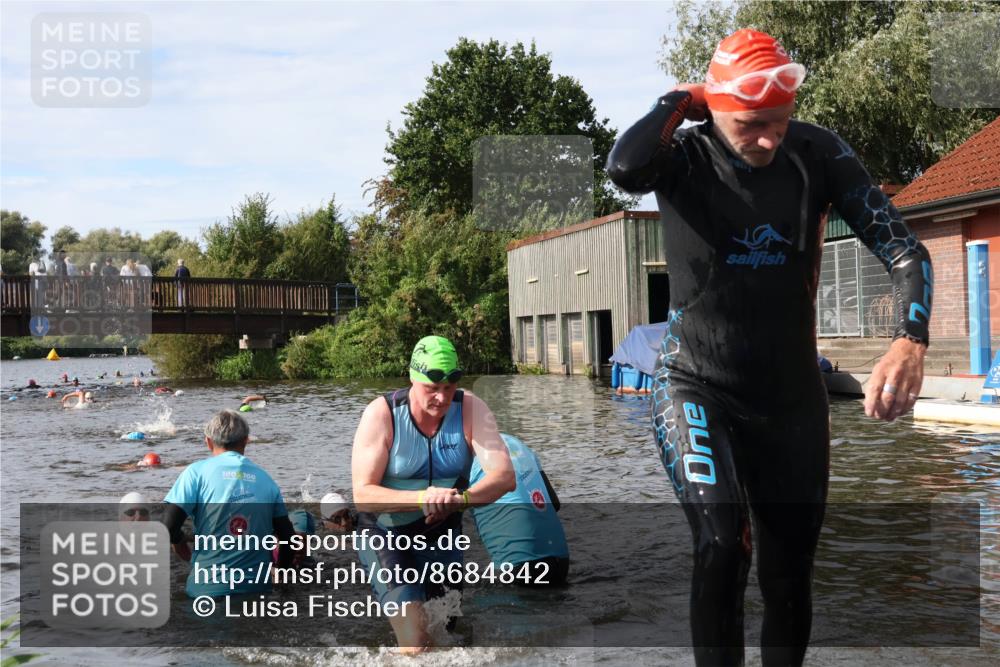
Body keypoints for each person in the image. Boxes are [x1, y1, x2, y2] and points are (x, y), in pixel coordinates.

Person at [605, 29, 932, 667]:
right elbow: (623, 168)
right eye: (752, 124)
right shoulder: (682, 157)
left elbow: (904, 249)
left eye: (779, 123)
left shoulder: (817, 152)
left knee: (788, 573)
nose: (769, 139)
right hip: (694, 383)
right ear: (712, 105)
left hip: (789, 398)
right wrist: (679, 99)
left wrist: (909, 339)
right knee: (724, 544)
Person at [351, 335, 515, 654]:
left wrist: (460, 500)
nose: (441, 398)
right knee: (417, 640)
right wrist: (426, 497)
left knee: (446, 638)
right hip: (386, 534)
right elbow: (363, 494)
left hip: (442, 534)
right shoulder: (382, 414)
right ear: (413, 377)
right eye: (432, 388)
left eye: (449, 388)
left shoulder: (470, 408)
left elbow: (504, 476)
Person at [162, 410, 294, 598]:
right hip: (256, 591)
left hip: (206, 591)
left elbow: (168, 526)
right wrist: (280, 575)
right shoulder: (266, 480)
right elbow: (288, 538)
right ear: (246, 441)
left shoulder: (195, 473)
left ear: (208, 442)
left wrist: (180, 541)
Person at [467, 433, 569, 586]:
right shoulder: (515, 443)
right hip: (561, 562)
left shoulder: (457, 459)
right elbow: (554, 504)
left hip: (516, 567)